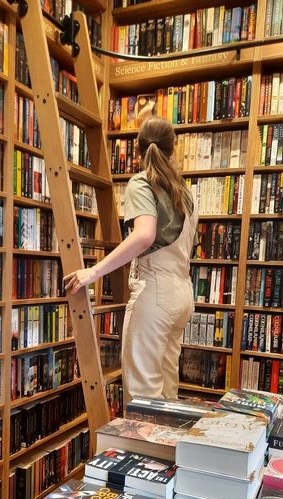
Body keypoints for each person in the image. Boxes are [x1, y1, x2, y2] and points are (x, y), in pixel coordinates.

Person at [63, 116, 198, 402]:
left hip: (155, 293)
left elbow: (144, 235)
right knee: (167, 387)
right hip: (183, 293)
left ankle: (144, 448)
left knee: (143, 395)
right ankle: (166, 447)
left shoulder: (142, 183)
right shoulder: (184, 192)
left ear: (138, 150)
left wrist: (93, 272)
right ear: (172, 149)